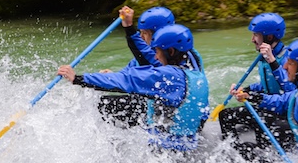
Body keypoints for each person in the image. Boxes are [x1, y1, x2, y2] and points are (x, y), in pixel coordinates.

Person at [58, 24, 210, 152]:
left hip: (164, 153)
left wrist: (78, 78)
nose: (155, 57)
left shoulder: (171, 76)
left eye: (157, 51)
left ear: (170, 52)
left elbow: (127, 80)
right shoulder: (195, 72)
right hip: (187, 145)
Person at [102, 5, 203, 126]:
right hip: (161, 105)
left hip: (174, 117)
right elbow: (133, 70)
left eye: (145, 33)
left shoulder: (173, 58)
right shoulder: (172, 51)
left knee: (107, 104)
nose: (141, 37)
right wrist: (113, 75)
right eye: (140, 32)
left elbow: (147, 59)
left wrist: (129, 28)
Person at [219, 13, 292, 158]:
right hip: (266, 105)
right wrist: (245, 90)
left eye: (256, 35)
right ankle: (231, 152)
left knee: (262, 122)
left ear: (269, 37)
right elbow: (267, 84)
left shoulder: (288, 57)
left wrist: (273, 62)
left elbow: (289, 89)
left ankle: (262, 157)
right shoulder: (263, 57)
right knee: (225, 115)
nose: (252, 40)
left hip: (282, 112)